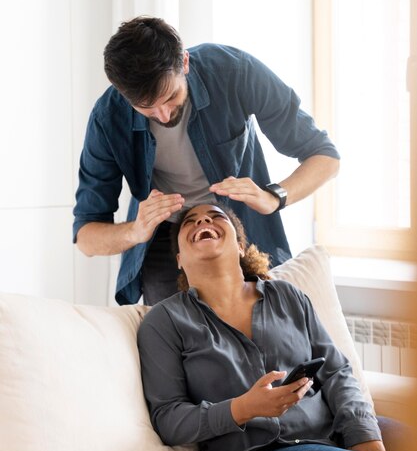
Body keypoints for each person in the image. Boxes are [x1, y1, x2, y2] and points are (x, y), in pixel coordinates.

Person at [137, 203, 417, 451]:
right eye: (191, 222)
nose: (203, 221)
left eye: (215, 217)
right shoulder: (164, 322)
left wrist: (362, 432)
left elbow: (337, 370)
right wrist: (243, 408)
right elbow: (169, 418)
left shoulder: (288, 297)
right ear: (179, 259)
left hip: (331, 433)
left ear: (240, 245)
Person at [73, 16, 340, 306]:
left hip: (241, 223)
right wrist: (135, 230)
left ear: (184, 62)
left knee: (266, 329)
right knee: (173, 337)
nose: (163, 116)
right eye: (147, 109)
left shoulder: (234, 71)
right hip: (166, 238)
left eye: (171, 97)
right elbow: (86, 236)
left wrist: (274, 197)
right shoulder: (107, 118)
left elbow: (325, 156)